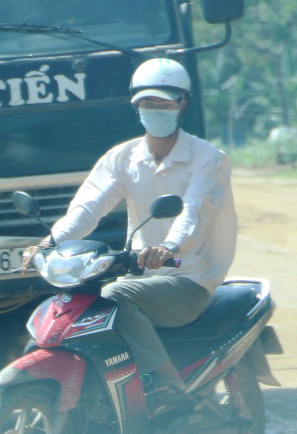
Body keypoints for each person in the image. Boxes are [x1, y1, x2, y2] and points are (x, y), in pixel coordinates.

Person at [27, 57, 238, 414]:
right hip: (140, 273)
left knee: (116, 296)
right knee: (71, 309)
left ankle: (166, 378)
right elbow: (87, 208)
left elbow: (194, 213)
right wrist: (50, 243)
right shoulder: (122, 157)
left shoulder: (207, 158)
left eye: (165, 103)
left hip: (187, 279)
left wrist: (168, 247)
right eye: (147, 103)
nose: (155, 110)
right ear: (136, 105)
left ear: (182, 104)